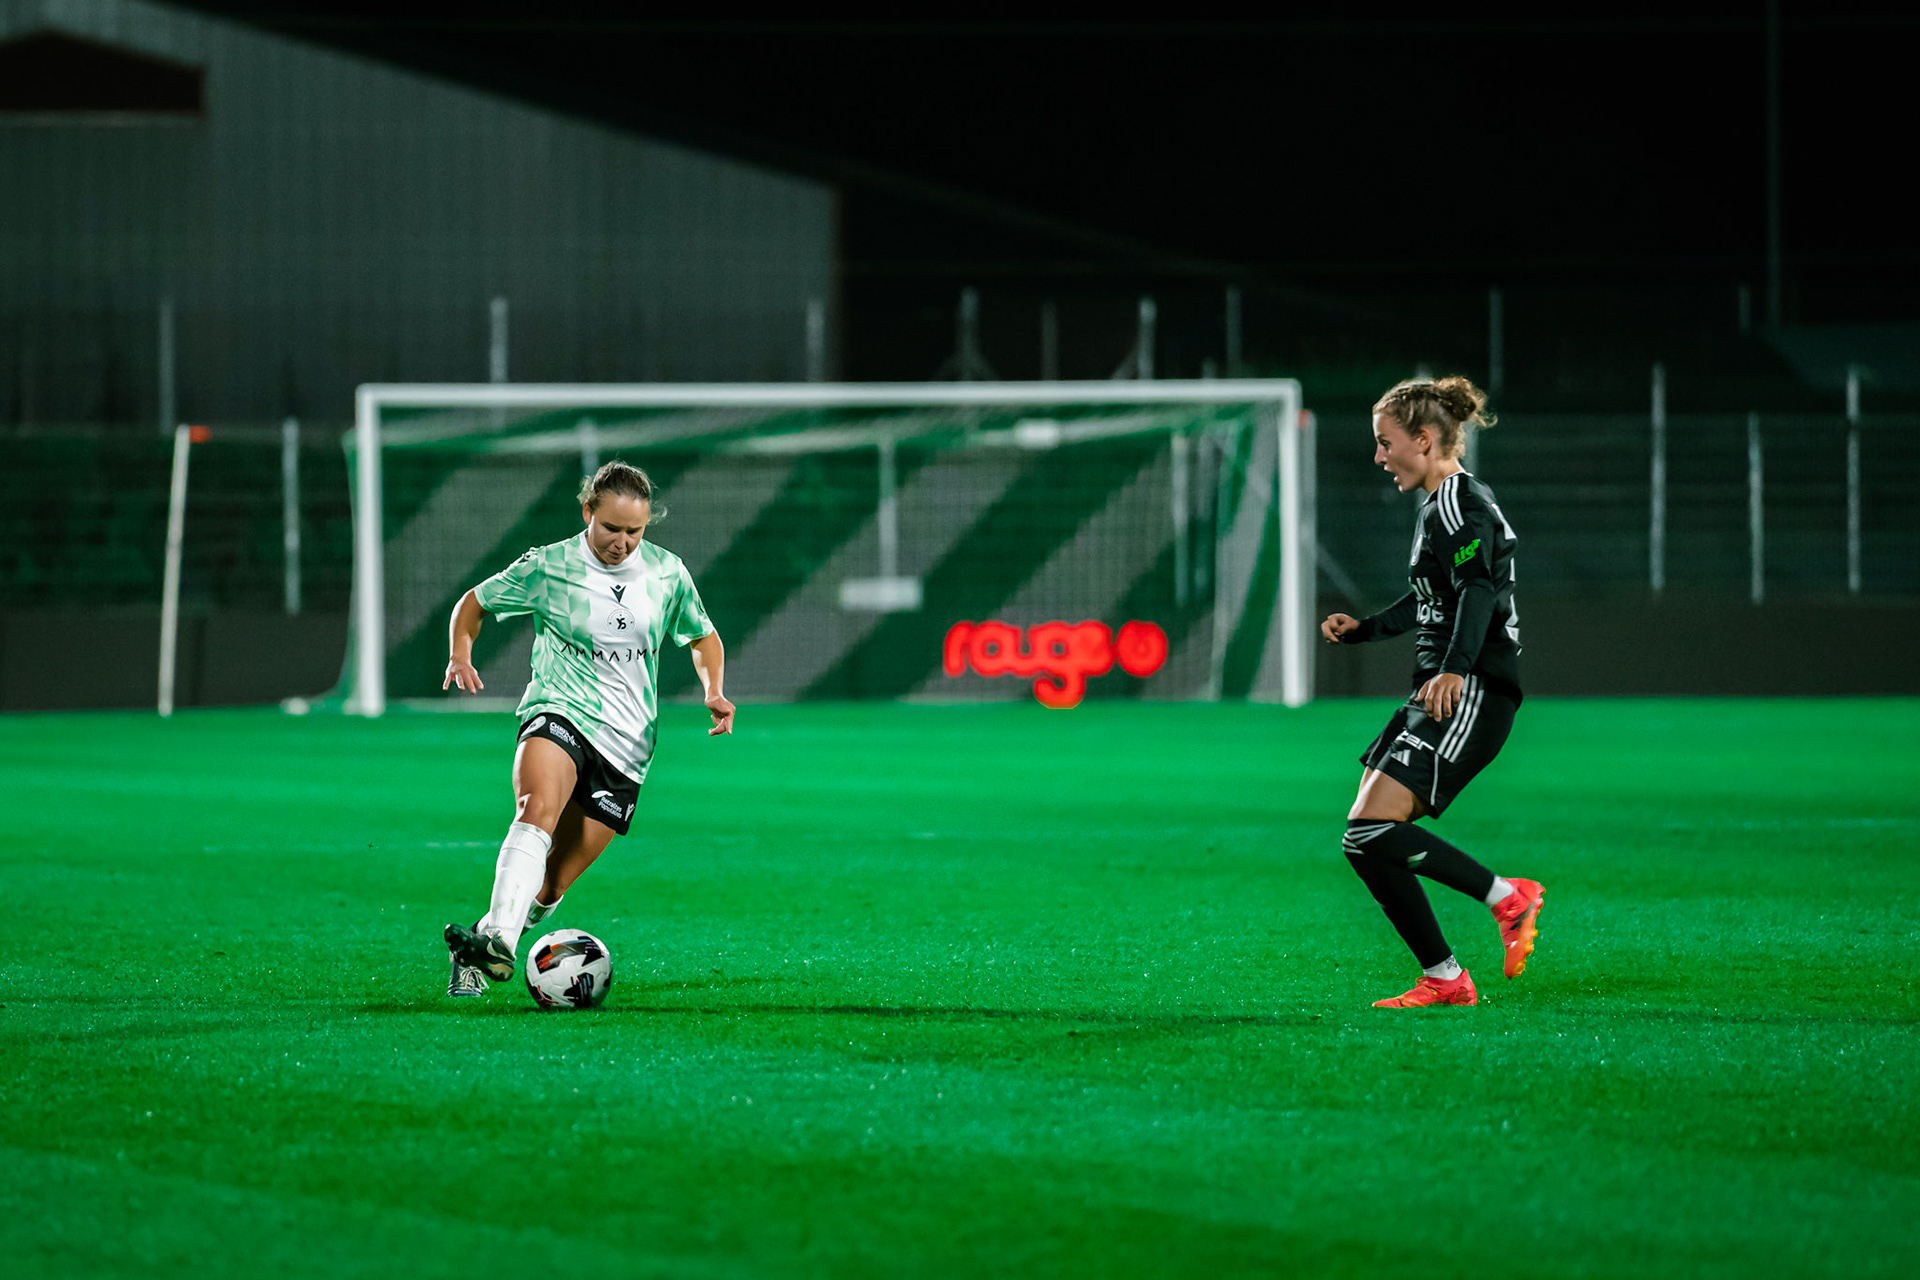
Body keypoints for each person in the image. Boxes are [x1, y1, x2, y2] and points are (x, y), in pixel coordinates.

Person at [441, 460, 734, 996]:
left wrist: (713, 689)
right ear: (587, 512)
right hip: (560, 710)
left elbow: (703, 636)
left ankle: (481, 944)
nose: (622, 542)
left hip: (628, 744)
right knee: (536, 811)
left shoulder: (667, 572)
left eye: (634, 532)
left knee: (552, 886)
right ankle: (502, 940)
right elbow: (473, 605)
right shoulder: (549, 566)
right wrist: (461, 653)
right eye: (611, 529)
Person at [1321, 376, 1544, 1008]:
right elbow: (1431, 601)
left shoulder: (1458, 504)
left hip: (1469, 690)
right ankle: (1445, 977)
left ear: (1423, 439)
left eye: (1385, 442)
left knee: (1369, 830)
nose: (1379, 455)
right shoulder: (1442, 506)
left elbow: (1477, 589)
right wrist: (1366, 630)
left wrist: (1455, 667)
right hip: (1445, 688)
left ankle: (1507, 896)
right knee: (1363, 838)